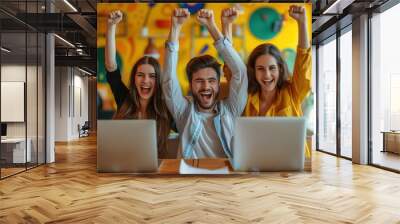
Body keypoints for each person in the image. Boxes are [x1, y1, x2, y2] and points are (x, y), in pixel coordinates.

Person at [162, 8, 247, 159]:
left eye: (211, 81)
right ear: (190, 85)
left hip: (225, 179)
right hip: (190, 178)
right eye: (199, 81)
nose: (206, 87)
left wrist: (211, 26)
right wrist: (175, 27)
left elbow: (239, 71)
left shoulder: (231, 109)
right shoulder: (183, 111)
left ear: (219, 84)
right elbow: (169, 79)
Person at [241, 5, 312, 157]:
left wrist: (302, 22)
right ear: (254, 71)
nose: (267, 75)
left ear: (280, 69)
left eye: (272, 68)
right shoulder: (246, 98)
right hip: (257, 163)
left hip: (293, 166)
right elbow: (232, 71)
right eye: (260, 68)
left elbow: (303, 64)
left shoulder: (293, 91)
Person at [105, 10, 172, 157]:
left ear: (158, 81)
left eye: (152, 76)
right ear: (134, 79)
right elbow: (111, 69)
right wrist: (111, 27)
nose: (145, 81)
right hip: (124, 164)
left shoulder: (165, 109)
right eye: (140, 75)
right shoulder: (125, 99)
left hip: (156, 170)